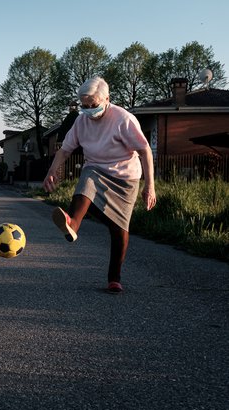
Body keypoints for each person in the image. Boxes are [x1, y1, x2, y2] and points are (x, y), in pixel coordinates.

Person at [43, 76, 156, 294]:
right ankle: (72, 224)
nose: (88, 111)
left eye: (93, 106)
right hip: (96, 168)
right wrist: (51, 172)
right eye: (83, 106)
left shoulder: (123, 119)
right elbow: (65, 150)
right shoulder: (81, 121)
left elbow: (144, 150)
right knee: (88, 178)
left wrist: (149, 186)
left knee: (119, 228)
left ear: (107, 99)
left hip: (125, 178)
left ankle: (114, 278)